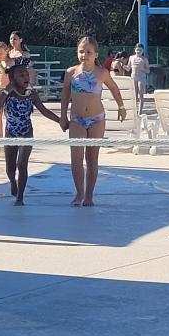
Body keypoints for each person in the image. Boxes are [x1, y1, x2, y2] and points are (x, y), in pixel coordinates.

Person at [60, 36, 127, 207]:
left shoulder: (102, 73)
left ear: (95, 54)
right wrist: (63, 116)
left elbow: (114, 88)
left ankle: (89, 195)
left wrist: (121, 106)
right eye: (81, 51)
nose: (84, 55)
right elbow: (65, 95)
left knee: (92, 159)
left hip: (97, 119)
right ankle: (79, 193)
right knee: (76, 158)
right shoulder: (71, 73)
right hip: (77, 119)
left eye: (88, 52)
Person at [0, 63, 61, 205]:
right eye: (21, 75)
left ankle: (20, 197)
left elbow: (44, 110)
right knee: (10, 167)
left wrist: (61, 121)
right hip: (10, 133)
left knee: (22, 164)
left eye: (27, 75)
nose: (26, 77)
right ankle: (12, 181)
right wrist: (6, 91)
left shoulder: (31, 94)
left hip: (26, 132)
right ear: (12, 78)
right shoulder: (7, 93)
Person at [128, 44, 150, 111]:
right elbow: (128, 68)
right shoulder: (131, 57)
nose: (138, 51)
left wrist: (142, 69)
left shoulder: (144, 59)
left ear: (143, 51)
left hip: (141, 78)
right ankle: (134, 110)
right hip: (133, 77)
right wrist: (122, 65)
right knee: (134, 94)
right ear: (135, 50)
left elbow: (148, 71)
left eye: (140, 50)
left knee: (141, 94)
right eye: (137, 50)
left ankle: (140, 111)